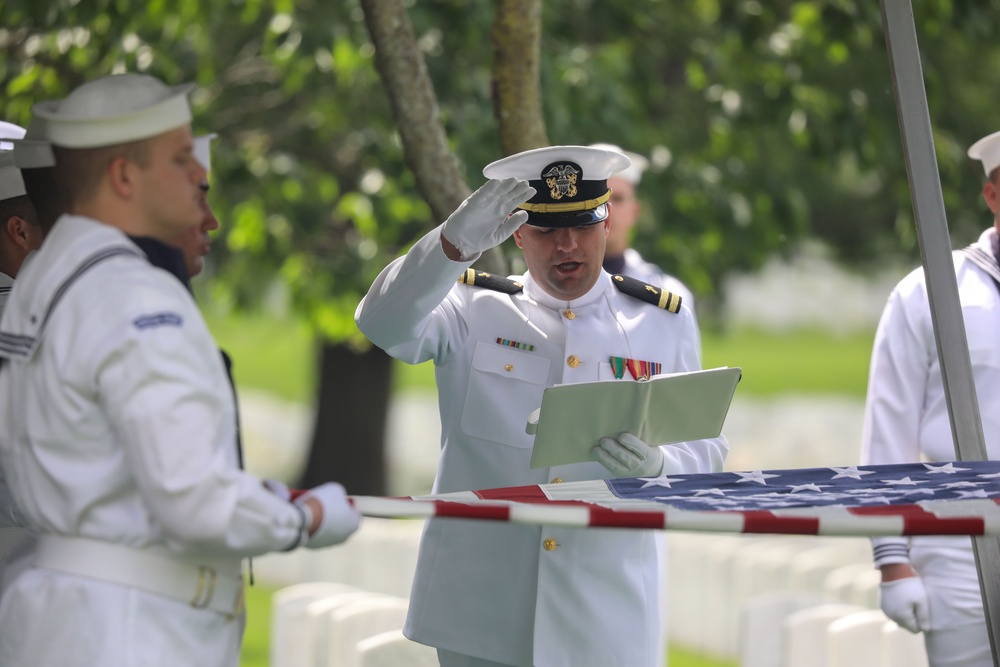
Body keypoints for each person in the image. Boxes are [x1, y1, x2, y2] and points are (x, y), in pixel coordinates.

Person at [0, 73, 360, 667]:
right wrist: (304, 517)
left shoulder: (53, 272)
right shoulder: (135, 294)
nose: (198, 176)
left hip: (72, 612)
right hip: (129, 627)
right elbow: (194, 501)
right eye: (179, 159)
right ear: (123, 176)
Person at [355, 145, 729, 667]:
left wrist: (662, 466)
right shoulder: (471, 307)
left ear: (606, 225)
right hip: (481, 610)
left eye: (582, 225)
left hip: (604, 613)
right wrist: (450, 245)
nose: (567, 245)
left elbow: (705, 441)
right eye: (548, 230)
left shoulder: (661, 319)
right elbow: (382, 324)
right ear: (518, 233)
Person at [860, 129, 1000, 667]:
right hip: (957, 538)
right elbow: (888, 429)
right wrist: (891, 559)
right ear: (991, 195)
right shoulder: (929, 292)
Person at [589, 142, 697, 314]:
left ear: (635, 212)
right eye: (597, 199)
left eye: (618, 198)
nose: (608, 209)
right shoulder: (548, 288)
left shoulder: (670, 295)